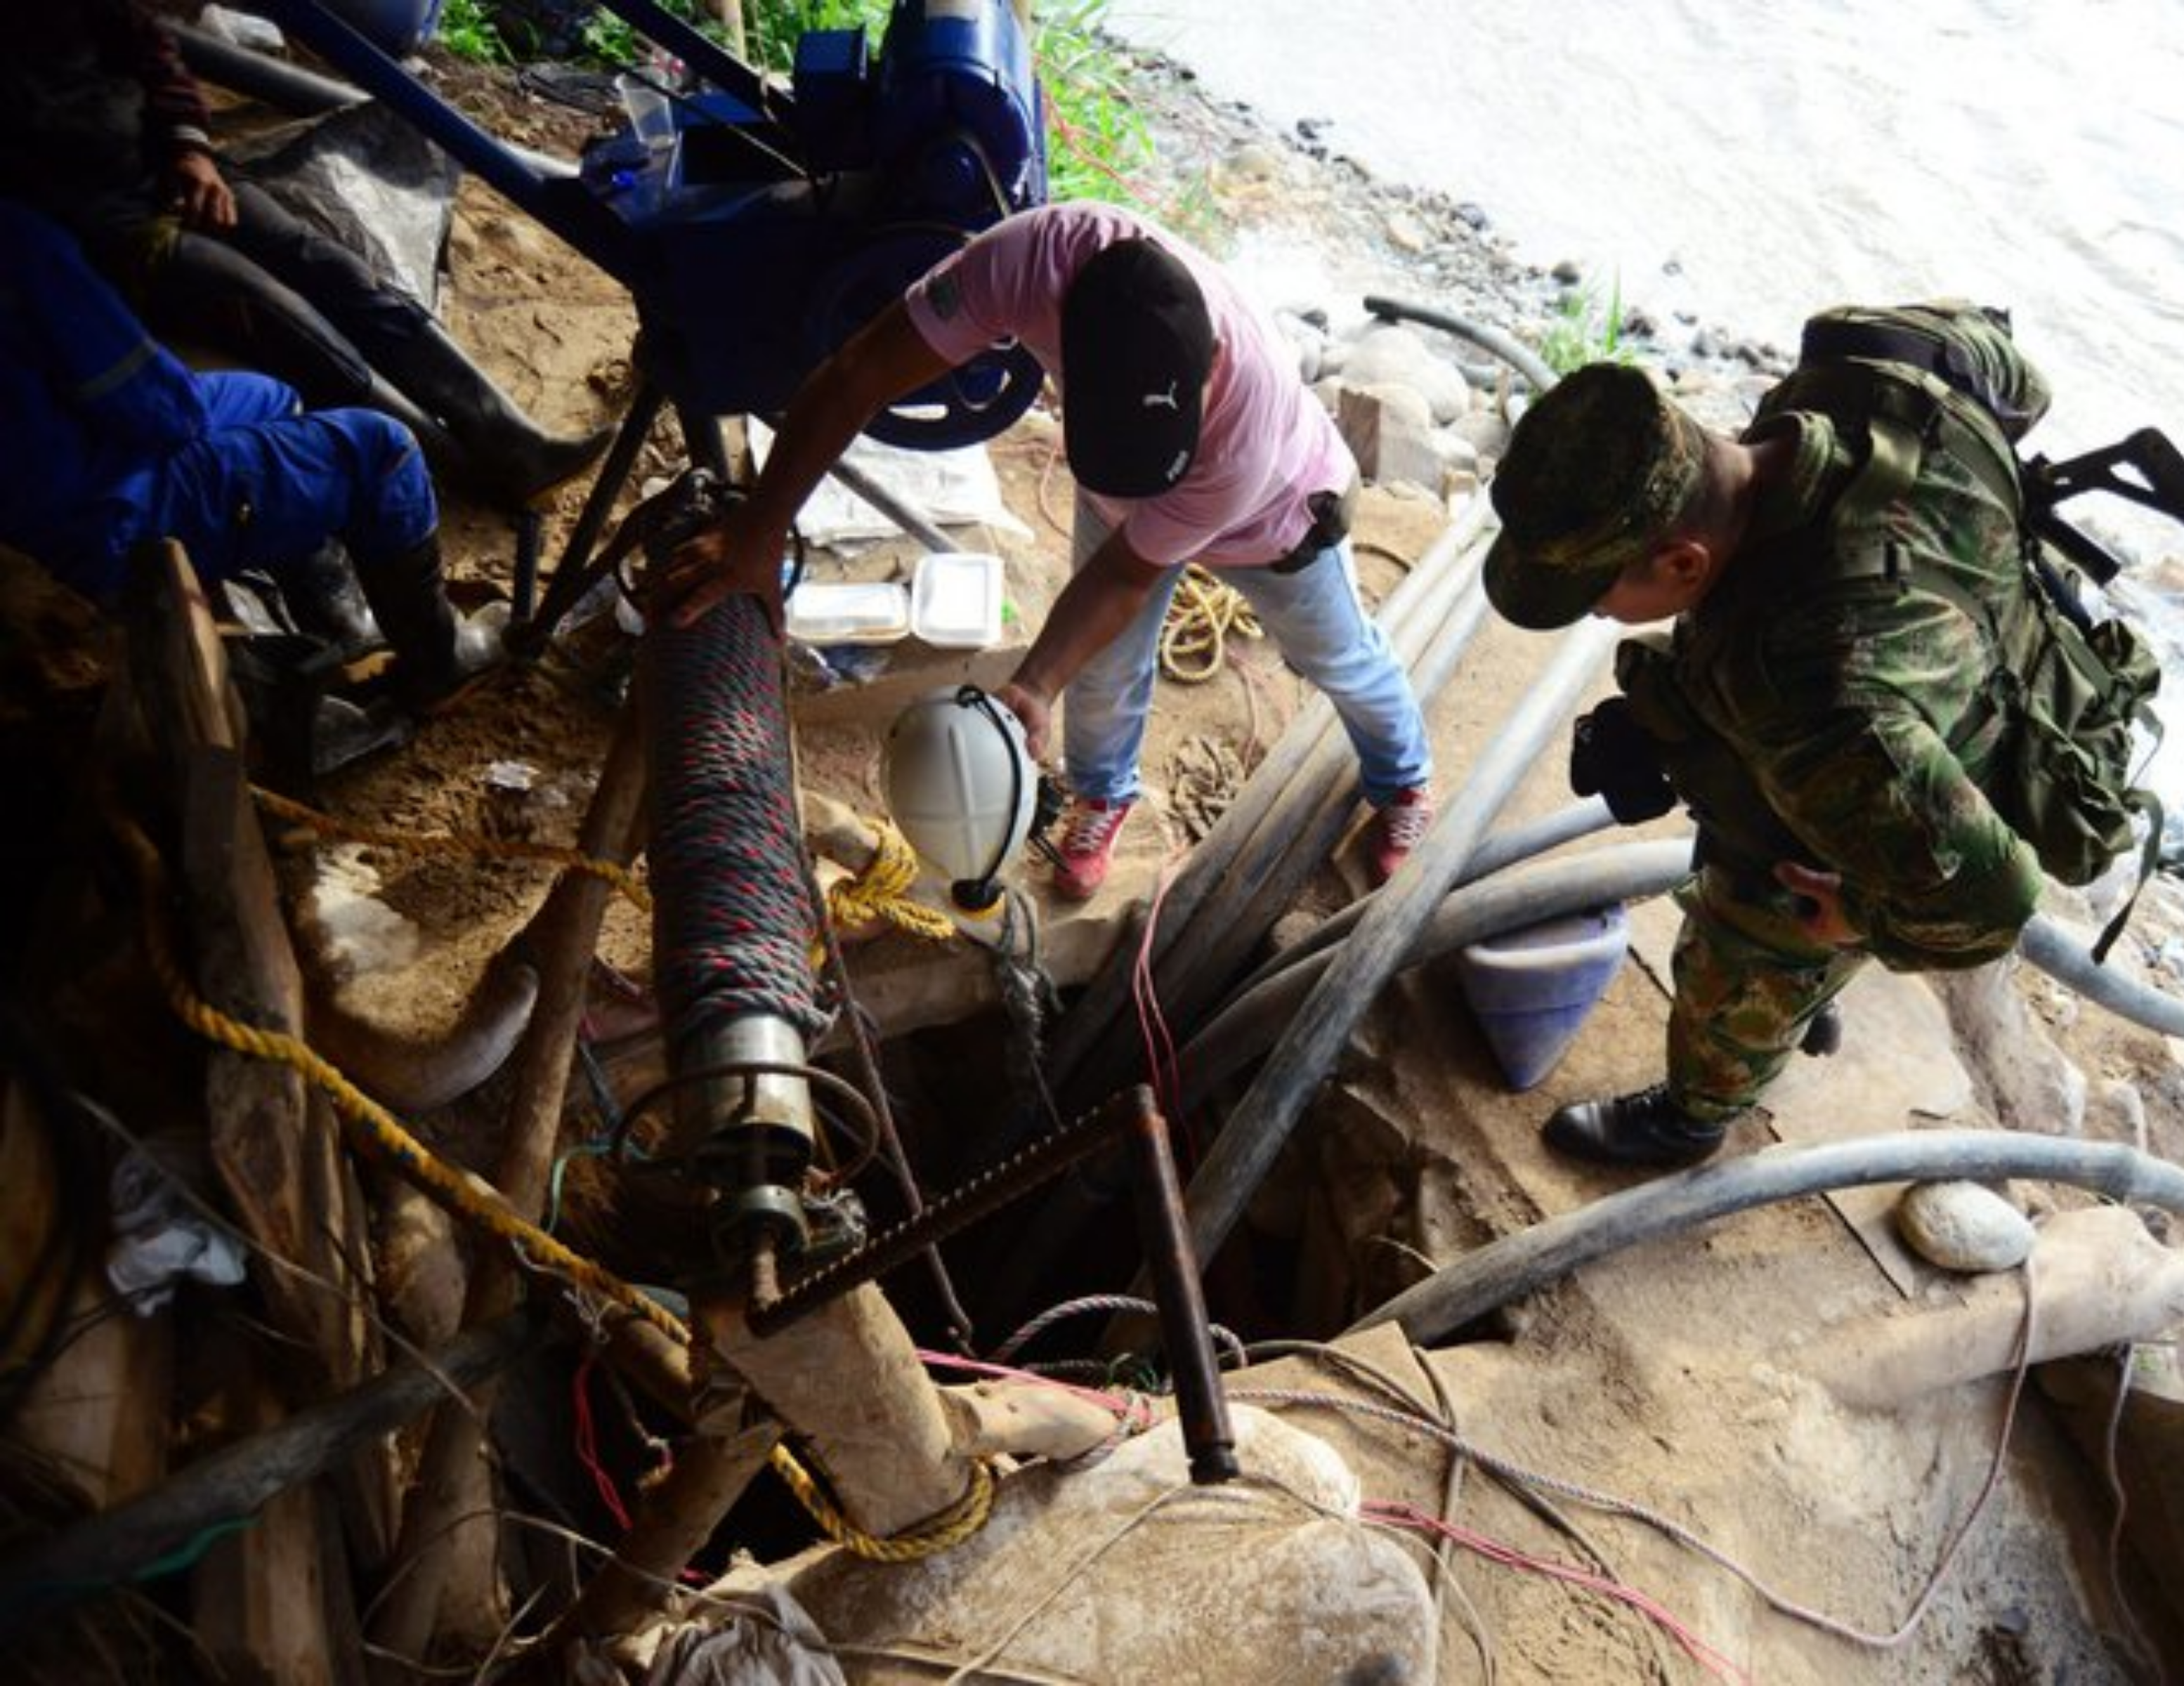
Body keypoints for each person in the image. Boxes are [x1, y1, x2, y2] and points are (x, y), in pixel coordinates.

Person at [656, 202, 1439, 897]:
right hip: (1125, 495)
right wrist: (756, 535)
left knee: (1338, 657)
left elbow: (1130, 575)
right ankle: (1104, 795)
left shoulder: (1247, 427)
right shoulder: (1027, 261)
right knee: (1101, 667)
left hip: (1272, 522)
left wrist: (1033, 680)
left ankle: (1403, 781)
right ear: (1065, 339)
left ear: (1210, 371)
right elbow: (860, 371)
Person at [1482, 301, 2059, 1169]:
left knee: (1752, 926)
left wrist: (1859, 916)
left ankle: (1694, 1114)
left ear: (1682, 564)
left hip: (1939, 749)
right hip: (1959, 643)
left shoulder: (1820, 699)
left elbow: (1994, 902)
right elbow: (2019, 379)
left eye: (1598, 596)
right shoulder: (1864, 357)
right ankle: (1806, 993)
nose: (1598, 614)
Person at [0, 0, 612, 510]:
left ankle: (510, 438)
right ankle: (445, 462)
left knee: (328, 265)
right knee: (274, 311)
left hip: (167, 170)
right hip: (102, 229)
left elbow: (156, 55)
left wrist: (190, 148)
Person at [0, 197, 499, 713]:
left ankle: (338, 620)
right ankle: (437, 664)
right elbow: (161, 412)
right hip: (98, 514)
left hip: (39, 472)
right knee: (382, 450)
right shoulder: (22, 246)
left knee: (270, 398)